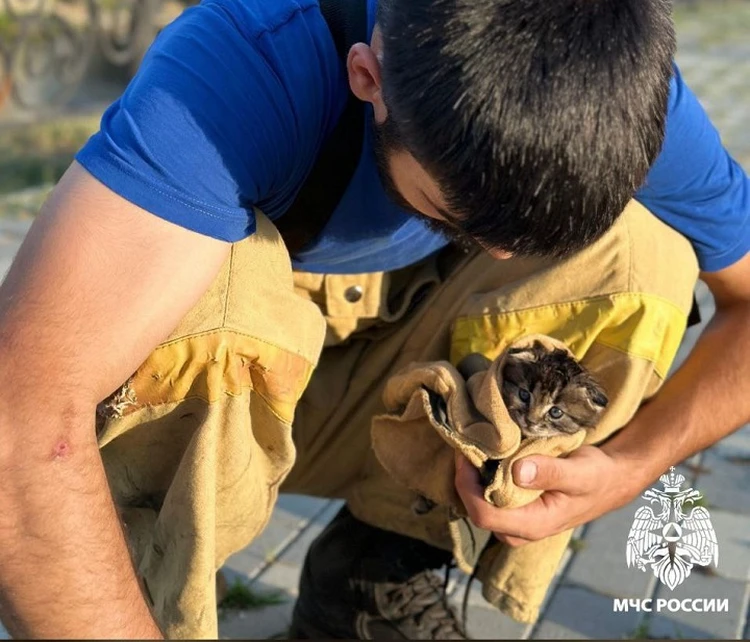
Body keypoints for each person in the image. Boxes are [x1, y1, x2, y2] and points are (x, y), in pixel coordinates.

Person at [0, 0, 747, 638]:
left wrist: (628, 471)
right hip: (232, 388)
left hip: (381, 391)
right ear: (369, 78)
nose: (503, 253)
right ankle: (141, 599)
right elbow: (22, 422)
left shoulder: (601, 84)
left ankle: (375, 573)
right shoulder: (242, 66)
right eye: (456, 214)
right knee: (210, 286)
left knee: (639, 257)